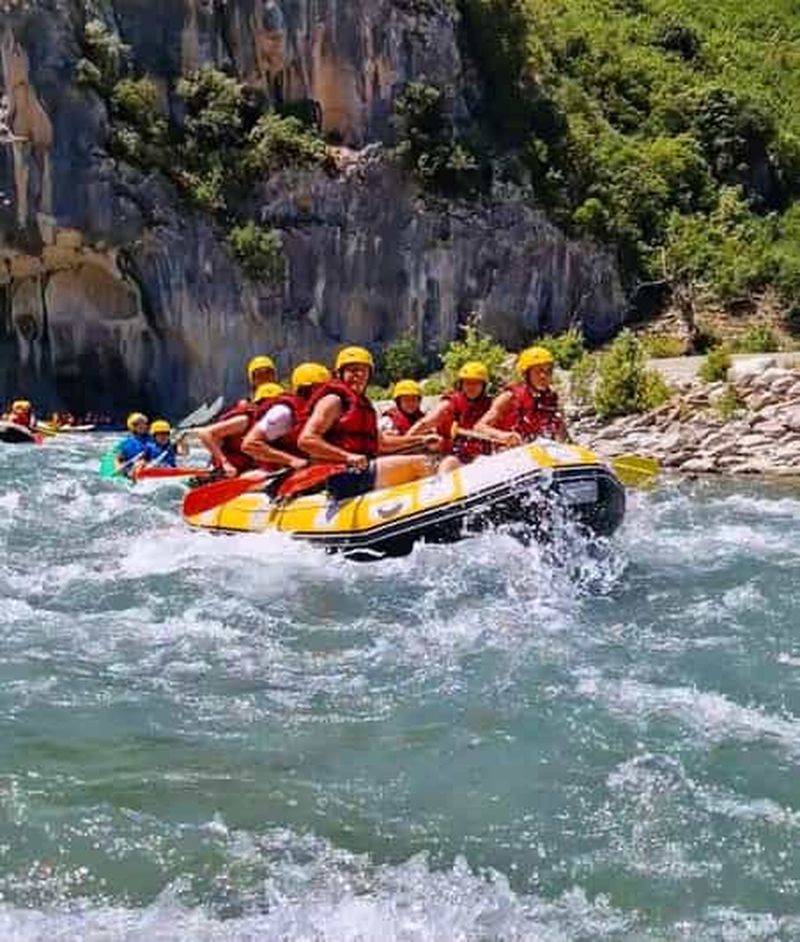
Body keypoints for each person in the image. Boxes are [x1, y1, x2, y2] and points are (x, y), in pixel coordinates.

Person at [297, 346, 441, 500]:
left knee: (431, 458)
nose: (358, 375)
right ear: (340, 374)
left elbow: (382, 443)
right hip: (341, 476)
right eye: (352, 370)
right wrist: (347, 456)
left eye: (363, 371)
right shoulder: (333, 401)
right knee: (424, 463)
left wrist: (421, 440)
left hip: (361, 471)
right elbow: (306, 440)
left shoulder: (364, 405)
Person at [242, 362, 331, 472]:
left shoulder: (318, 410)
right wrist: (291, 460)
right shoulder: (283, 412)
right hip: (279, 474)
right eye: (322, 389)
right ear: (308, 390)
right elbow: (249, 444)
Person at [407, 361, 493, 472]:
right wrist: (406, 440)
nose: (471, 387)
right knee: (449, 463)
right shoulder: (450, 403)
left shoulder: (490, 404)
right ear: (461, 384)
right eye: (467, 383)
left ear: (483, 386)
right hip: (453, 455)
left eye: (476, 383)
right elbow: (426, 422)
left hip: (481, 457)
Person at [475, 346, 567, 446]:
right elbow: (479, 427)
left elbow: (562, 434)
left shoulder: (551, 398)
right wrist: (503, 436)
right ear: (526, 374)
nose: (543, 376)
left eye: (548, 371)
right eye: (538, 371)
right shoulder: (508, 397)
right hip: (507, 454)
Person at [197, 382, 285, 477]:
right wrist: (225, 463)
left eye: (275, 404)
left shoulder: (284, 425)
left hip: (257, 473)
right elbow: (205, 433)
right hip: (233, 473)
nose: (270, 408)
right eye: (265, 402)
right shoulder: (245, 421)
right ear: (256, 405)